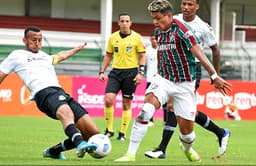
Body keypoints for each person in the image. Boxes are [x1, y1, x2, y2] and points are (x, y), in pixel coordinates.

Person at [114, 0, 232, 162]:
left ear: (168, 16)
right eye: (153, 18)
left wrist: (214, 75)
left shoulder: (182, 30)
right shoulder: (159, 31)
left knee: (188, 135)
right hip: (164, 79)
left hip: (185, 84)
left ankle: (187, 147)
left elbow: (199, 52)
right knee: (146, 110)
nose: (155, 22)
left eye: (158, 18)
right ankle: (130, 154)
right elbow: (160, 53)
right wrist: (158, 75)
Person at [0, 26, 100, 160]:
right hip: (43, 93)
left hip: (60, 92)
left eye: (40, 40)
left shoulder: (44, 56)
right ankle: (80, 144)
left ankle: (53, 151)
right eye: (33, 40)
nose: (37, 43)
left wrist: (76, 50)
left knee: (93, 133)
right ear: (25, 40)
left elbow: (60, 56)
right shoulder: (16, 55)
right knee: (67, 113)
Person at [99, 12, 146, 141]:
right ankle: (109, 130)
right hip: (115, 72)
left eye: (127, 21)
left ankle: (123, 133)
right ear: (118, 23)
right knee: (109, 99)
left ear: (130, 23)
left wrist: (140, 73)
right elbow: (108, 55)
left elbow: (142, 56)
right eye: (122, 21)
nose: (124, 23)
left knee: (126, 104)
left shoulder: (137, 38)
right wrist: (102, 71)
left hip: (130, 73)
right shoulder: (112, 38)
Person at [145, 34, 158, 127]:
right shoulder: (147, 50)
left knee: (165, 102)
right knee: (149, 99)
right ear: (150, 39)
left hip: (161, 79)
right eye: (153, 39)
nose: (154, 41)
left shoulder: (161, 49)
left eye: (156, 39)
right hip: (150, 78)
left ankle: (166, 121)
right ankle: (150, 120)